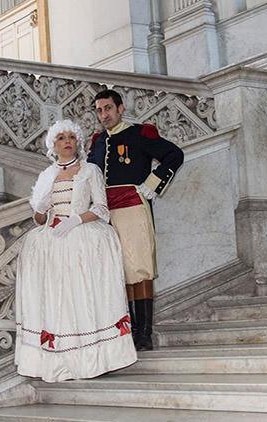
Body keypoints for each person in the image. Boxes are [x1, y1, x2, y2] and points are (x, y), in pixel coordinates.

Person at [15, 119, 137, 383]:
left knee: (82, 296)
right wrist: (42, 212)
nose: (67, 141)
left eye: (71, 137)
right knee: (57, 301)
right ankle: (58, 360)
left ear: (78, 142)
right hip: (52, 241)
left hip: (82, 237)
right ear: (53, 145)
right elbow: (38, 218)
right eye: (61, 138)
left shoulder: (90, 170)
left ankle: (93, 359)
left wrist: (76, 220)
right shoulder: (46, 176)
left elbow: (102, 209)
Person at [87, 89, 184, 351]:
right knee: (119, 271)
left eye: (108, 108)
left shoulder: (140, 134)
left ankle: (144, 334)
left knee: (139, 270)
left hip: (133, 207)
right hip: (106, 213)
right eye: (99, 110)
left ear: (120, 108)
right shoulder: (97, 141)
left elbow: (175, 154)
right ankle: (126, 331)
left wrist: (152, 183)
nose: (103, 114)